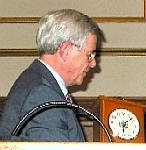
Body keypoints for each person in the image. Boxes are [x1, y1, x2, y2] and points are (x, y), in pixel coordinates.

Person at [0, 9, 100, 141]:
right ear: (66, 50)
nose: (93, 63)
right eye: (90, 55)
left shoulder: (37, 82)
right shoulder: (42, 94)